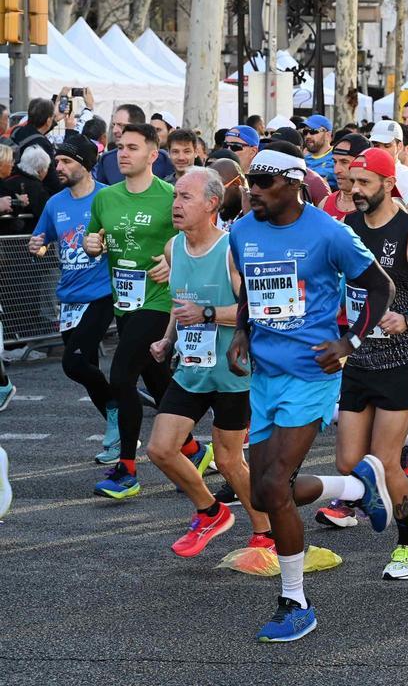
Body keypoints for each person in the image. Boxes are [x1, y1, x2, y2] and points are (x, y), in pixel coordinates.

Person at [228, 145, 393, 642]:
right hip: (264, 375)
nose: (253, 189)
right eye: (250, 181)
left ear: (294, 183)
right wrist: (241, 331)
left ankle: (294, 601)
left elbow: (380, 287)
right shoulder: (242, 230)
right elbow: (250, 292)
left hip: (311, 374)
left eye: (263, 181)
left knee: (275, 486)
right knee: (261, 492)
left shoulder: (329, 233)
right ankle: (358, 488)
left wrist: (350, 342)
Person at [311, 148, 408, 579]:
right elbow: (341, 285)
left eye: (364, 183)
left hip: (402, 359)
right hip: (359, 357)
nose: (353, 190)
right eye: (351, 181)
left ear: (388, 185)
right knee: (347, 463)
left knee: (383, 461)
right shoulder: (348, 227)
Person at [146, 167, 273, 556]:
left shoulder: (232, 250)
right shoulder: (173, 248)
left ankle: (265, 533)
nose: (177, 204)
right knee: (160, 449)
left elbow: (256, 310)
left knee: (232, 463)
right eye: (175, 196)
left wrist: (205, 315)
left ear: (212, 204)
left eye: (186, 197)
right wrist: (167, 339)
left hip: (232, 373)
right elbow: (180, 300)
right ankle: (210, 511)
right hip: (191, 368)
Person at [85, 122, 182, 499]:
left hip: (159, 301)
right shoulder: (105, 198)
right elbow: (97, 240)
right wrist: (94, 245)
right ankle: (192, 449)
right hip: (123, 301)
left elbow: (196, 239)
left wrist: (173, 263)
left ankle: (127, 469)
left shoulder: (170, 196)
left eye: (132, 147)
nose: (123, 153)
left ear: (152, 155)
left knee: (121, 377)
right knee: (158, 382)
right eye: (119, 147)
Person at [28, 134, 118, 462]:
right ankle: (120, 435)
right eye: (57, 161)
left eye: (66, 161)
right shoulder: (55, 203)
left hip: (101, 294)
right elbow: (43, 240)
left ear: (85, 163)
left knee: (74, 362)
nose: (58, 166)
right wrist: (36, 246)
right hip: (69, 298)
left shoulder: (108, 198)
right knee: (87, 368)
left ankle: (118, 409)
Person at [93, 104, 174, 185]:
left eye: (121, 125)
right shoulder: (107, 160)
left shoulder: (162, 159)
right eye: (114, 125)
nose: (114, 130)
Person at [319, 133, 370, 221]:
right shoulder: (325, 203)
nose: (336, 170)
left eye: (344, 162)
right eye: (335, 162)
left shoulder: (378, 208)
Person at [301, 115, 336, 189]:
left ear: (327, 135)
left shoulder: (337, 158)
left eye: (313, 131)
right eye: (305, 132)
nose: (308, 136)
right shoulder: (303, 160)